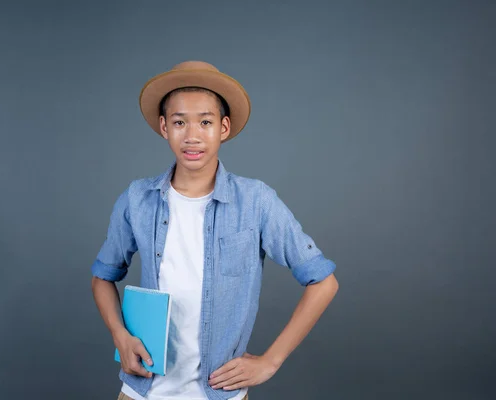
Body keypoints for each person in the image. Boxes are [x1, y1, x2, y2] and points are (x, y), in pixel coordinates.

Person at [91, 61, 339, 400]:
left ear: (223, 127)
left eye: (205, 122)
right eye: (179, 122)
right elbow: (102, 277)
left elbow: (323, 281)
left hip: (221, 393)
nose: (192, 136)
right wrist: (119, 334)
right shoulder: (137, 199)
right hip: (141, 390)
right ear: (164, 127)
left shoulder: (256, 201)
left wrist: (271, 361)